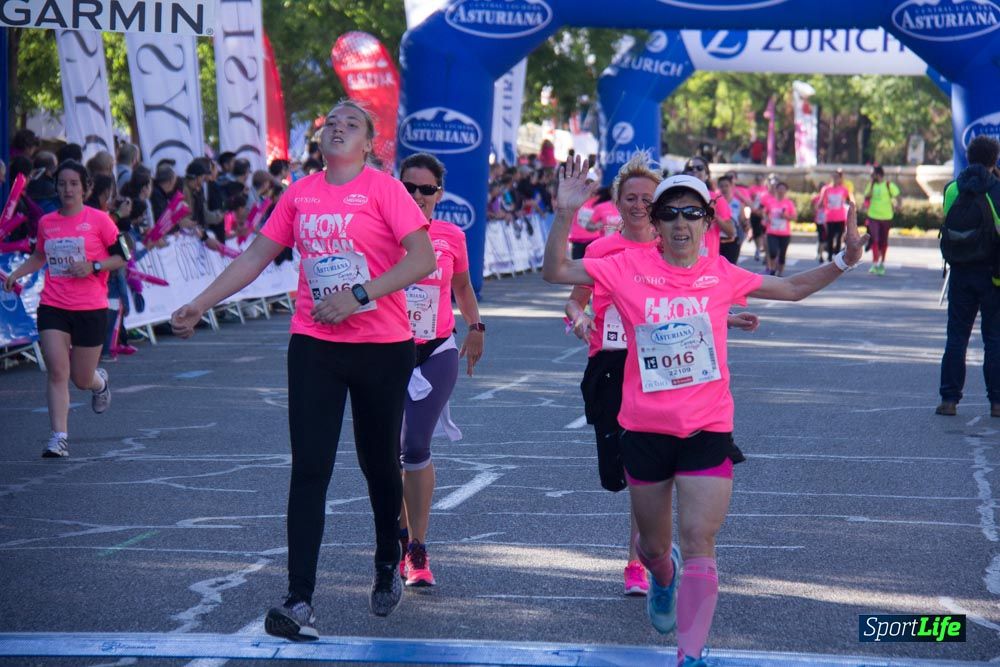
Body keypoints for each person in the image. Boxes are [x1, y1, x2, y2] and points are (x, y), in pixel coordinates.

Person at [543, 156, 866, 667]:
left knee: (699, 540)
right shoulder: (626, 267)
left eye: (691, 213)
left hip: (707, 427)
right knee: (654, 550)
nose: (678, 223)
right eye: (668, 212)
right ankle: (661, 577)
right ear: (656, 222)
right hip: (644, 428)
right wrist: (564, 214)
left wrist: (846, 260)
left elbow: (794, 288)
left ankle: (689, 655)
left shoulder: (720, 273)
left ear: (707, 222)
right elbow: (556, 272)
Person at [169, 100, 436, 640]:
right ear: (320, 138)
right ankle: (299, 599)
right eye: (331, 121)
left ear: (369, 143)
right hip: (315, 342)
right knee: (310, 468)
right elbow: (254, 257)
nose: (337, 127)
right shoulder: (300, 194)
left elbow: (421, 260)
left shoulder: (384, 189)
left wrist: (359, 294)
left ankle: (389, 556)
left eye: (351, 123)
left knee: (378, 465)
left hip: (383, 345)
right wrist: (201, 302)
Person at [395, 152, 485, 587]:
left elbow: (463, 286)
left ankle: (416, 548)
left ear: (439, 193)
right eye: (409, 187)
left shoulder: (450, 235)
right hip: (385, 352)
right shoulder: (379, 232)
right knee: (387, 450)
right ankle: (396, 531)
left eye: (425, 189)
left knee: (415, 444)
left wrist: (477, 326)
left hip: (436, 348)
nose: (416, 195)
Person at [3, 160, 129, 457]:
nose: (67, 189)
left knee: (80, 378)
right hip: (53, 305)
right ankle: (58, 437)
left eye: (74, 184)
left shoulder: (100, 220)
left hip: (90, 307)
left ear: (85, 188)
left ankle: (99, 383)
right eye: (62, 184)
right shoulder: (48, 222)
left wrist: (93, 266)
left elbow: (123, 256)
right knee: (57, 371)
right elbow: (38, 256)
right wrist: (16, 274)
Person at [936, 135, 1000, 418]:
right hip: (994, 275)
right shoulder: (997, 190)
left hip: (960, 272)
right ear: (994, 160)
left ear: (968, 156)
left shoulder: (952, 189)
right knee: (995, 339)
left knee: (957, 337)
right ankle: (997, 402)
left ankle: (949, 399)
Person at [680, 157, 735, 260]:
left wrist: (714, 216)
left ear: (707, 175)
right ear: (685, 173)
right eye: (690, 168)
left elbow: (731, 232)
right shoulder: (676, 198)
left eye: (699, 168)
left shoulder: (716, 199)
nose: (695, 170)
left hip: (708, 263)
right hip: (681, 260)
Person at [861, 165, 900, 275]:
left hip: (886, 217)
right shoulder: (871, 185)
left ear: (878, 174)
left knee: (883, 241)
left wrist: (898, 205)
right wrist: (872, 185)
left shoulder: (888, 185)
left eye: (872, 174)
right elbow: (866, 196)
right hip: (873, 216)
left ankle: (882, 263)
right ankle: (874, 263)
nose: (871, 176)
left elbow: (897, 196)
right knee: (875, 239)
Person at [818, 169, 852, 263]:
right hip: (829, 217)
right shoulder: (826, 189)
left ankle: (836, 256)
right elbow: (820, 202)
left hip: (840, 217)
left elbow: (849, 200)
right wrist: (820, 206)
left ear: (840, 178)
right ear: (831, 177)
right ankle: (829, 256)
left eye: (838, 177)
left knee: (839, 237)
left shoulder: (844, 189)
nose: (836, 178)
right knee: (830, 237)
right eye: (834, 176)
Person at [763, 182, 796, 276]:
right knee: (772, 252)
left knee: (782, 255)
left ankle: (780, 273)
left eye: (783, 189)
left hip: (785, 233)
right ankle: (772, 270)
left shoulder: (789, 203)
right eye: (779, 189)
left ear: (786, 191)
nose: (781, 191)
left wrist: (786, 216)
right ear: (776, 190)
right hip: (772, 232)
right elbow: (765, 213)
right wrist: (766, 218)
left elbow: (794, 217)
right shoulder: (771, 202)